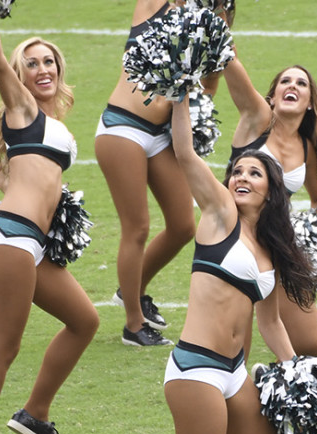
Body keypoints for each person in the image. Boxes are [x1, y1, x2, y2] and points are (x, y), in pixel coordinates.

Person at [164, 95, 317, 434]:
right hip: (195, 371)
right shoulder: (218, 215)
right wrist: (181, 91)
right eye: (237, 170)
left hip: (233, 373)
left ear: (272, 189)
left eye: (255, 171)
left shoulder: (269, 249)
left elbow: (271, 322)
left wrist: (298, 369)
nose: (242, 176)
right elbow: (184, 154)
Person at [0, 28, 99, 434]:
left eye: (49, 61)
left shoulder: (48, 127)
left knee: (84, 320)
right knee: (4, 346)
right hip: (13, 240)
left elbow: (19, 180)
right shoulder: (21, 111)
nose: (43, 69)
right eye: (32, 63)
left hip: (31, 244)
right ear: (19, 76)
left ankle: (35, 413)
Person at [221, 56, 317, 356]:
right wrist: (219, 21)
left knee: (310, 347)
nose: (292, 85)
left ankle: (267, 382)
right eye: (285, 81)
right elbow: (232, 68)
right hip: (233, 239)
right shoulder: (257, 120)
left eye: (301, 83)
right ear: (272, 97)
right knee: (233, 349)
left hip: (277, 240)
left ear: (309, 102)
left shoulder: (305, 146)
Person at [96, 0, 206, 346]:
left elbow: (206, 90)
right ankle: (133, 325)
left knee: (183, 225)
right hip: (122, 127)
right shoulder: (151, 6)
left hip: (161, 135)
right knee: (137, 227)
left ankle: (133, 288)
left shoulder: (206, 24)